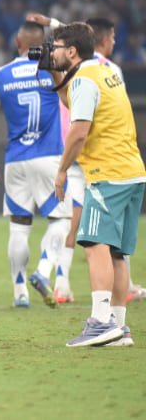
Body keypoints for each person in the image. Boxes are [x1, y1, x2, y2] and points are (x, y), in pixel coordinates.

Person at [46, 23, 144, 347]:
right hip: (131, 172)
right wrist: (53, 74)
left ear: (71, 51)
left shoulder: (85, 81)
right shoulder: (101, 72)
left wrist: (61, 171)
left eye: (57, 47)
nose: (53, 51)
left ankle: (100, 322)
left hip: (108, 173)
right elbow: (73, 100)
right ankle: (119, 327)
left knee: (93, 243)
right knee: (117, 251)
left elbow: (78, 131)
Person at [0, 21, 71, 308]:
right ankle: (43, 271)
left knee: (19, 226)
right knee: (61, 220)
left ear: (18, 42)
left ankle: (20, 292)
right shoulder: (52, 69)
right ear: (42, 44)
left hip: (16, 159)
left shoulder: (0, 75)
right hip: (48, 155)